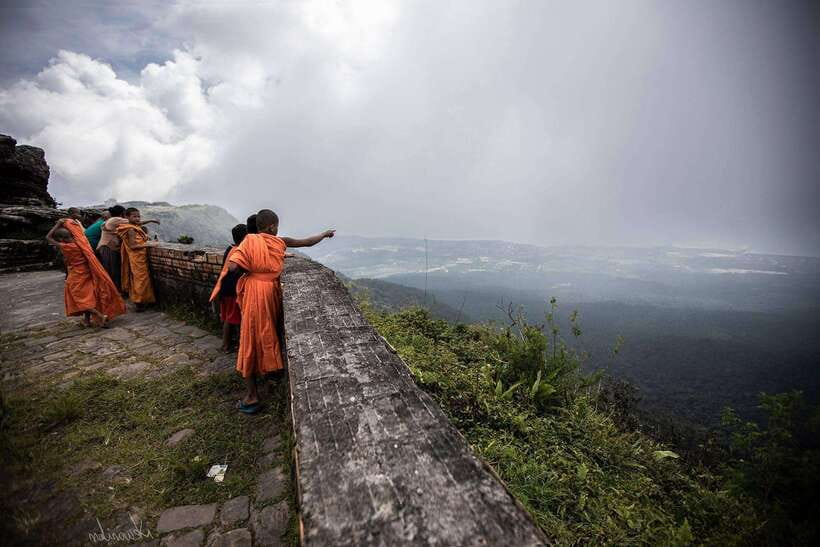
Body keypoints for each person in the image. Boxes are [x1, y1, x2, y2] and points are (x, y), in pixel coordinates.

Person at [210, 209, 334, 414]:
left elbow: (232, 267)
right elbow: (307, 242)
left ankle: (252, 395)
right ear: (272, 227)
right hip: (270, 292)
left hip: (254, 292)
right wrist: (324, 234)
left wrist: (247, 268)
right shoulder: (279, 241)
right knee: (267, 332)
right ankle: (268, 376)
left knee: (249, 337)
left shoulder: (249, 241)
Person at [45, 217, 126, 327]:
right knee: (88, 297)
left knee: (78, 298)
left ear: (61, 239)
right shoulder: (81, 243)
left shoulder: (66, 246)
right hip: (87, 271)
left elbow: (48, 237)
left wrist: (58, 224)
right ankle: (87, 321)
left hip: (76, 274)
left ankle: (101, 316)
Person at [213, 224, 248, 352]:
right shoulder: (239, 252)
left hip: (224, 288)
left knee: (228, 318)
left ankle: (226, 344)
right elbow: (234, 269)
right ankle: (234, 346)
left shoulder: (230, 248)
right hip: (233, 291)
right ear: (245, 237)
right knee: (236, 319)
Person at [116, 207, 159, 311]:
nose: (137, 219)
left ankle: (143, 301)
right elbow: (133, 246)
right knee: (141, 280)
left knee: (140, 279)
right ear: (127, 217)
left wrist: (152, 220)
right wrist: (149, 244)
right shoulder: (130, 230)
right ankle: (139, 303)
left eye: (138, 216)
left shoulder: (132, 225)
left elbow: (139, 223)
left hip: (139, 257)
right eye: (134, 216)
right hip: (137, 257)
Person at [97, 205, 128, 291]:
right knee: (113, 270)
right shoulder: (115, 219)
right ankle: (113, 291)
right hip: (108, 247)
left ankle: (111, 291)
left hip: (106, 247)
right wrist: (151, 220)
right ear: (122, 213)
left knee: (110, 269)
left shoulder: (111, 220)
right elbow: (133, 222)